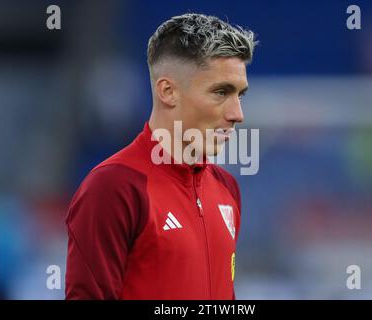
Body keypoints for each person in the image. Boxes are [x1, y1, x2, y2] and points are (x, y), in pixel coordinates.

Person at [65, 13, 256, 299]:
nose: (237, 114)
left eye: (240, 95)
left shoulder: (227, 189)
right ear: (168, 91)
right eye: (220, 92)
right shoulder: (114, 188)